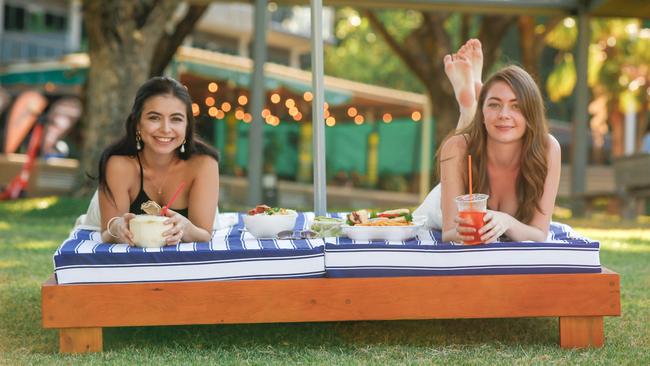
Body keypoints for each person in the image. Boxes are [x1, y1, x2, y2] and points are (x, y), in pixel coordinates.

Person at [415, 39, 561, 243]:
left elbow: (539, 233)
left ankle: (471, 101)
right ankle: (468, 107)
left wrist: (506, 221)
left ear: (532, 114)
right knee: (463, 143)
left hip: (513, 221)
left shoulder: (548, 148)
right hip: (441, 206)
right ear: (482, 113)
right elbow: (448, 233)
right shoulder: (455, 148)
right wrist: (477, 229)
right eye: (494, 105)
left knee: (467, 141)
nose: (504, 114)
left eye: (516, 106)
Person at [97, 76, 220, 245]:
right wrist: (118, 228)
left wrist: (185, 227)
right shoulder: (119, 165)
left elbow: (204, 234)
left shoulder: (204, 164)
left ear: (187, 126)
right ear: (138, 123)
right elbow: (107, 232)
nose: (165, 129)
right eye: (154, 118)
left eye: (176, 119)